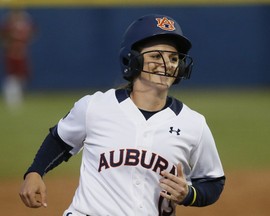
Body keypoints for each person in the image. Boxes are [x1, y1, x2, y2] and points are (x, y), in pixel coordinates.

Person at [19, 14, 225, 216]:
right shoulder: (95, 106)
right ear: (132, 59)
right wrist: (35, 172)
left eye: (173, 58)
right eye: (155, 56)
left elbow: (212, 180)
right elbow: (60, 139)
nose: (167, 63)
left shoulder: (193, 124)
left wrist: (189, 194)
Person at [0, 9, 35, 110]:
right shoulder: (8, 26)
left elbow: (32, 34)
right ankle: (12, 100)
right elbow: (3, 37)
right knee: (12, 78)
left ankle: (18, 98)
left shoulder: (24, 26)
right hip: (12, 54)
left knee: (22, 77)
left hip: (22, 54)